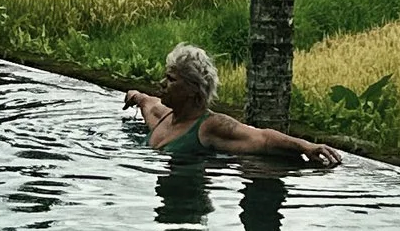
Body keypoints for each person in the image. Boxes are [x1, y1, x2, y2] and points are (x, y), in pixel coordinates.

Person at [123, 43, 340, 171]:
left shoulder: (209, 126)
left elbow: (261, 138)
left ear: (192, 89)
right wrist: (136, 95)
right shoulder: (164, 115)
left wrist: (305, 146)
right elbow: (147, 104)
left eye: (171, 79)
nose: (162, 84)